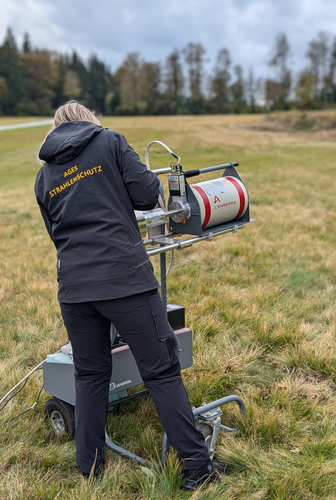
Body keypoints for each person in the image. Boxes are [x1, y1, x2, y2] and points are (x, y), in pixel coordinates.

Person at [35, 101, 226, 490]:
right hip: (124, 279)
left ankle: (89, 469)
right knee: (161, 370)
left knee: (89, 376)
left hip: (73, 288)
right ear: (89, 121)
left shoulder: (44, 175)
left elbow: (55, 232)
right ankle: (197, 469)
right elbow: (147, 194)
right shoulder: (109, 141)